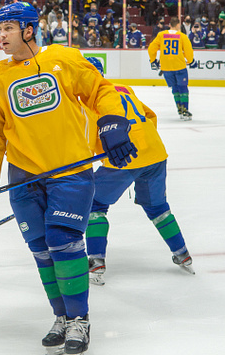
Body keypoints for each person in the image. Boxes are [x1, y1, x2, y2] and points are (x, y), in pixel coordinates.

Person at [0, 1, 138, 355]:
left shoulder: (63, 59)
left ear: (28, 30)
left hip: (69, 171)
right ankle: (62, 317)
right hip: (24, 178)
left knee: (63, 241)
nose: (0, 35)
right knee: (41, 250)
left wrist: (113, 122)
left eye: (8, 28)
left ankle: (79, 320)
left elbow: (100, 90)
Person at [84, 57, 194, 286]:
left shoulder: (86, 99)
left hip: (123, 158)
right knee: (157, 208)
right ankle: (182, 253)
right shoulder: (123, 89)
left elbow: (85, 134)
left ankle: (96, 260)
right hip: (155, 152)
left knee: (93, 205)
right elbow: (150, 116)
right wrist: (144, 149)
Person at [148, 16, 197, 120]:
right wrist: (191, 61)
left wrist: (153, 61)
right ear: (178, 25)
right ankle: (185, 109)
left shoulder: (161, 35)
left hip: (166, 67)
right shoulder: (182, 36)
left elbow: (152, 48)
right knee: (183, 88)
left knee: (174, 88)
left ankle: (179, 109)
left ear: (169, 25)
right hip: (179, 66)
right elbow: (188, 51)